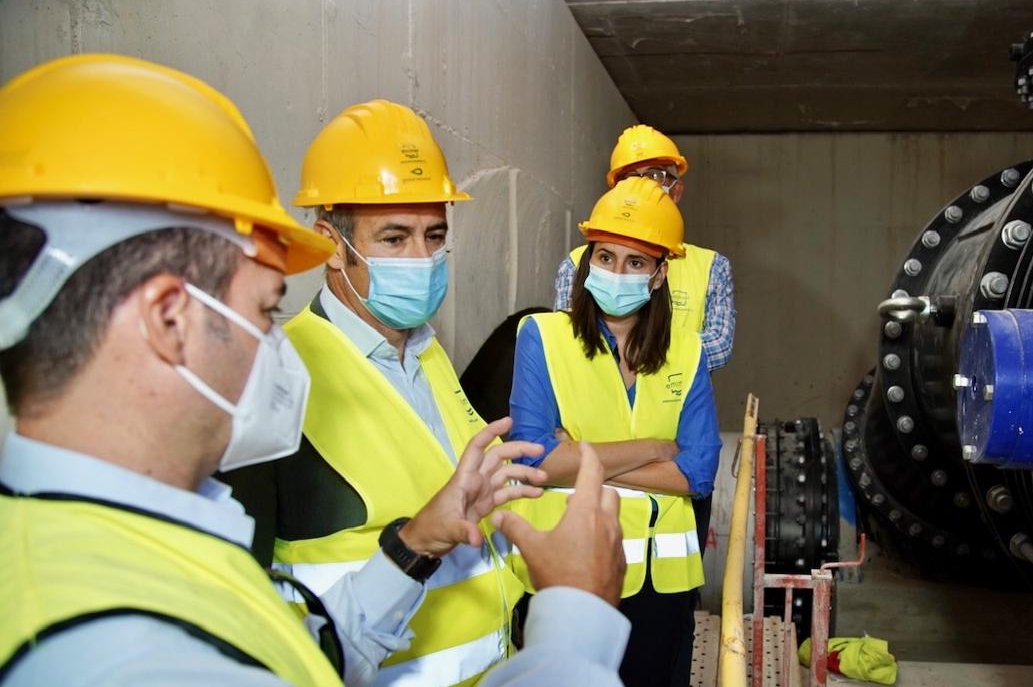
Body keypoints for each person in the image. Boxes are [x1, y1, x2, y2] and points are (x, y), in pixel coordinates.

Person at [0, 53, 629, 687]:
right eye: (265, 312)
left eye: (434, 235)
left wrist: (414, 543)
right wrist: (578, 618)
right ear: (169, 320)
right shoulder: (119, 652)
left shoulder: (107, 544)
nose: (276, 346)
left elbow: (302, 655)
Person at [219, 99, 521, 686]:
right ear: (333, 245)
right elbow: (249, 607)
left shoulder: (428, 353)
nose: (424, 259)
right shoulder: (276, 373)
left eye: (435, 236)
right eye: (395, 238)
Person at [509, 177, 722, 687]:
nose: (616, 272)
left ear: (658, 274)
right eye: (605, 257)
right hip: (570, 563)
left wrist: (578, 455)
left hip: (663, 582)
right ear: (587, 262)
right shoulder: (542, 336)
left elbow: (699, 470)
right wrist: (654, 448)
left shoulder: (687, 352)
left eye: (635, 262)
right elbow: (536, 462)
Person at [554, 124, 737, 372]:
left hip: (675, 405)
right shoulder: (578, 262)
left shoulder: (711, 267)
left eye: (655, 176)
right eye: (630, 177)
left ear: (677, 191)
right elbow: (567, 339)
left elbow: (719, 346)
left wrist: (637, 353)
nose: (643, 187)